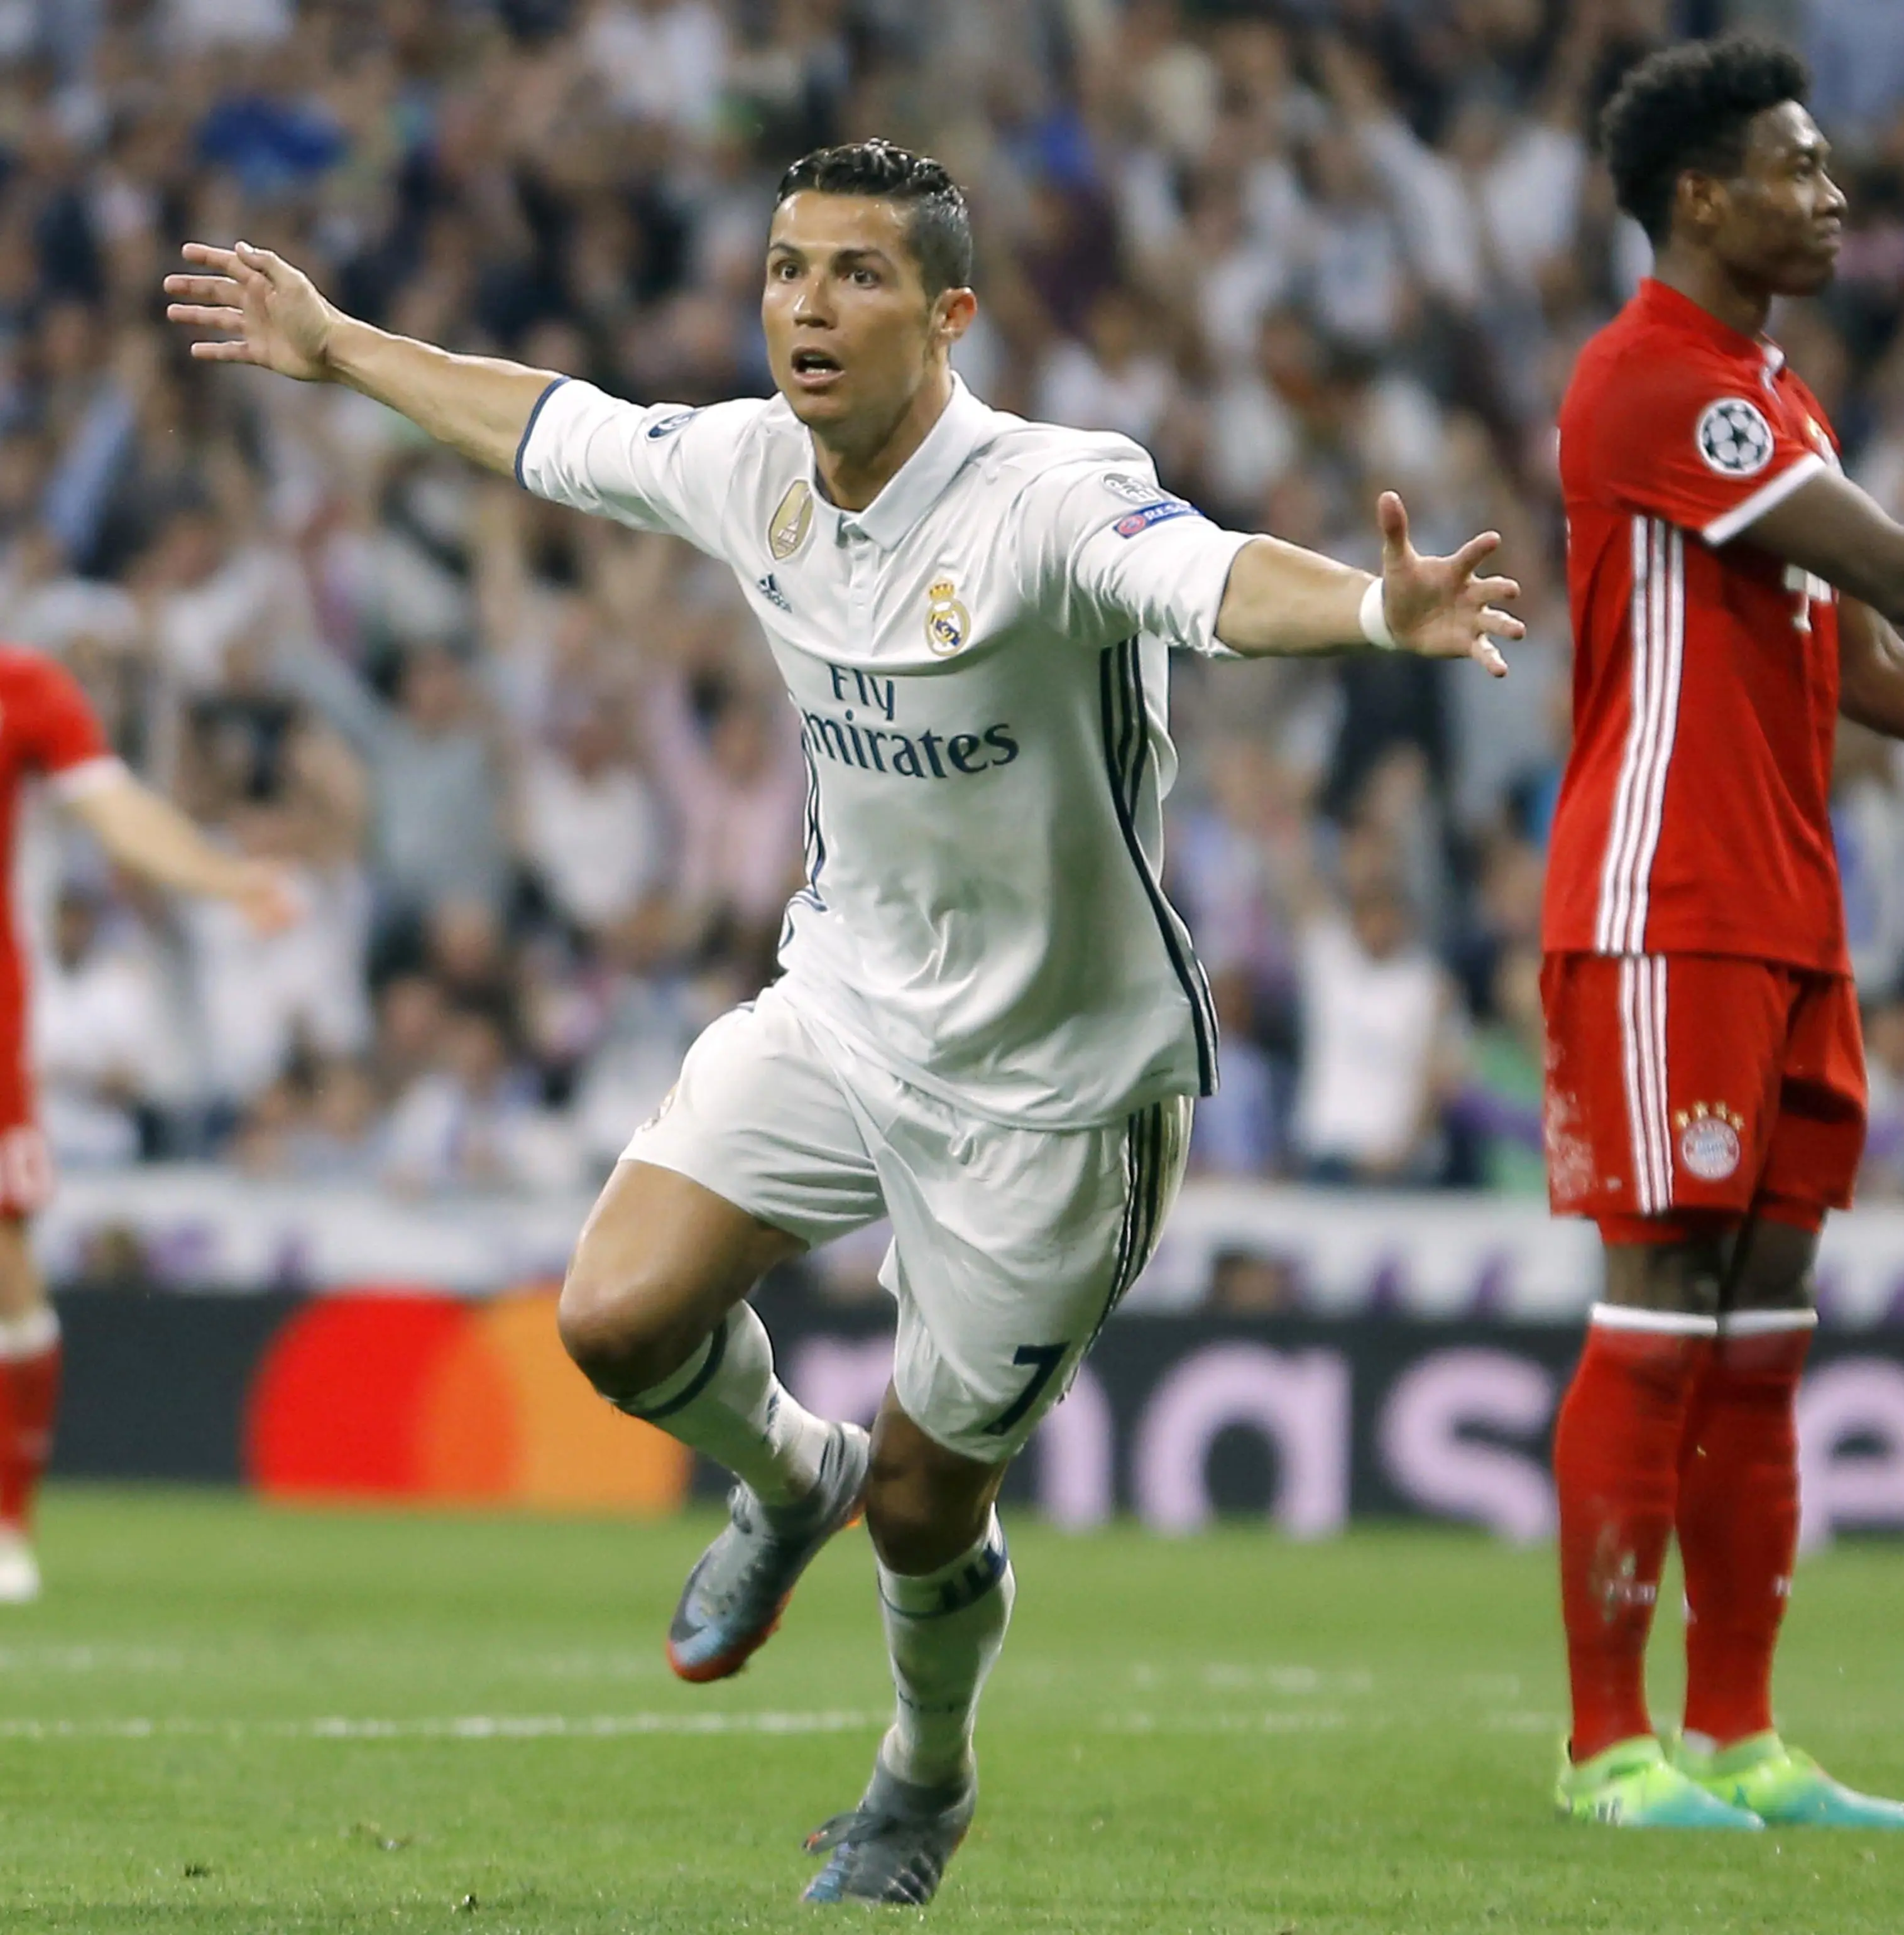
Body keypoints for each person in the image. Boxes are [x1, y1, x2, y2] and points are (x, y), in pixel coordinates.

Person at [165, 139, 1521, 1903]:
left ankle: (920, 1779)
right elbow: (549, 422)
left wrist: (1367, 608)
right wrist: (339, 344)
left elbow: (1202, 577)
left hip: (1059, 1092)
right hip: (848, 1010)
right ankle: (782, 1468)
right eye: (790, 268)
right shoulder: (751, 468)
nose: (810, 304)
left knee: (925, 1509)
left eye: (860, 274)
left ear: (949, 313)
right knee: (618, 1315)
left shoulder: (1045, 493)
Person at [1542, 36, 1904, 1830]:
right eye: (1800, 164)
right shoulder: (1651, 383)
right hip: (1665, 910)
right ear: (1704, 196)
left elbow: (1876, 669)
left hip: (1787, 918)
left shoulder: (1775, 407)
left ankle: (1744, 1736)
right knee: (1665, 1302)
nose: (1833, 191)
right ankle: (1607, 1747)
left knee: (1767, 1323)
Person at [0, 650, 292, 1603]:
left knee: (12, 1281)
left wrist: (222, 878)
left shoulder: (26, 687)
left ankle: (7, 1529)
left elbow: (114, 811)